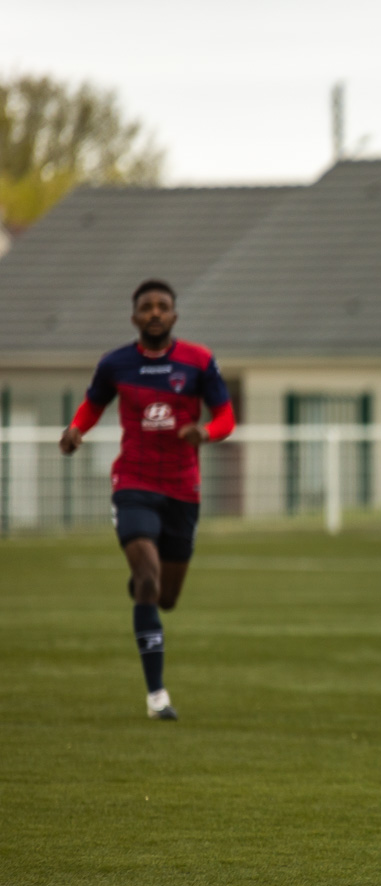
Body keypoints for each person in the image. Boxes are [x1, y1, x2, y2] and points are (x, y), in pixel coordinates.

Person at [59, 279, 236, 721]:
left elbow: (226, 417)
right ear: (134, 316)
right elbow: (93, 405)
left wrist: (204, 432)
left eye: (162, 306)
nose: (154, 312)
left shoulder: (199, 361)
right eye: (146, 307)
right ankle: (157, 696)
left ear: (174, 315)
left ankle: (143, 585)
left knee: (165, 597)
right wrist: (76, 429)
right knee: (149, 578)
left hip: (183, 489)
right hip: (134, 483)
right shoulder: (115, 363)